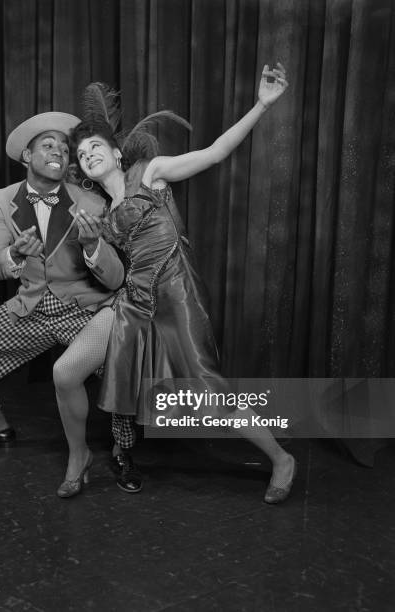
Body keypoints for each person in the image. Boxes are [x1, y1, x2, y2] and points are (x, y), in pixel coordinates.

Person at [57, 64, 296, 504]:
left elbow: (214, 153)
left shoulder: (149, 173)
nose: (88, 154)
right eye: (82, 153)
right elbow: (113, 276)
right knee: (115, 379)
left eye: (96, 146)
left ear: (115, 152)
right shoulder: (103, 216)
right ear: (84, 170)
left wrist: (261, 105)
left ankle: (280, 458)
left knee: (205, 386)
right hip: (134, 304)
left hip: (177, 294)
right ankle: (111, 452)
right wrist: (92, 244)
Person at [0, 111, 138, 494]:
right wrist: (13, 254)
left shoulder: (91, 203)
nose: (60, 153)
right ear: (27, 157)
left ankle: (121, 450)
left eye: (65, 149)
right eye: (49, 145)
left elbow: (115, 280)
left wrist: (94, 245)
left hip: (84, 309)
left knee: (119, 368)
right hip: (31, 307)